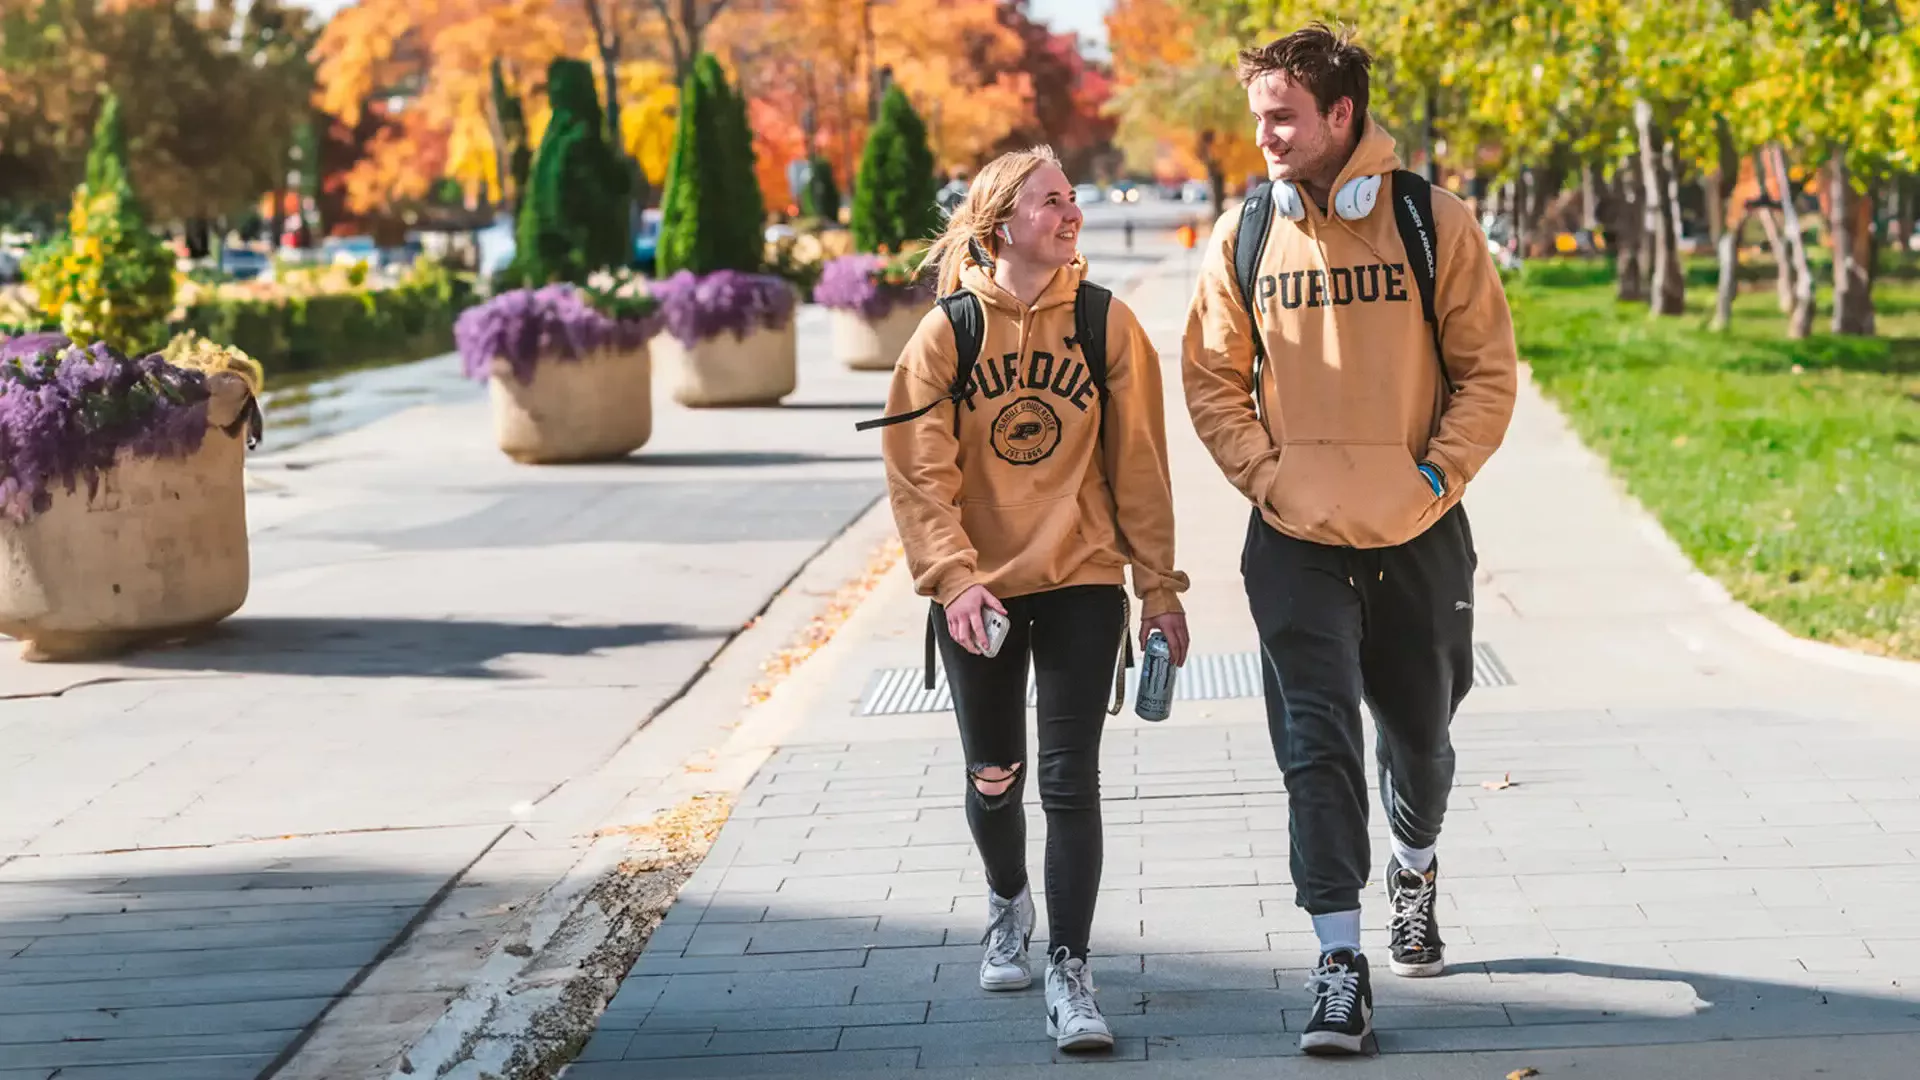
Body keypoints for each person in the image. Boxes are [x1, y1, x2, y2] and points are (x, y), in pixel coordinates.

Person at [1180, 24, 1518, 1056]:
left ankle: (1414, 864)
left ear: (1341, 113)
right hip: (1294, 540)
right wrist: (1267, 477)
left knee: (1421, 741)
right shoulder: (1246, 233)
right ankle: (1338, 962)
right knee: (1315, 746)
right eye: (1258, 118)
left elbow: (1488, 375)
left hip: (1418, 531)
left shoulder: (1431, 221)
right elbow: (1210, 379)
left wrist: (1434, 478)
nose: (1265, 137)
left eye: (1283, 117)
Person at [875, 145, 1190, 1052]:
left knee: (1069, 779)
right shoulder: (946, 335)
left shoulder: (1106, 324)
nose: (1070, 213)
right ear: (1001, 222)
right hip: (980, 593)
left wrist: (1158, 588)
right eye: (1051, 201)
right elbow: (919, 476)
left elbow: (1141, 469)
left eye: (1071, 198)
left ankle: (1070, 970)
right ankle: (1007, 900)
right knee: (995, 774)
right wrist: (953, 578)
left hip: (1083, 579)